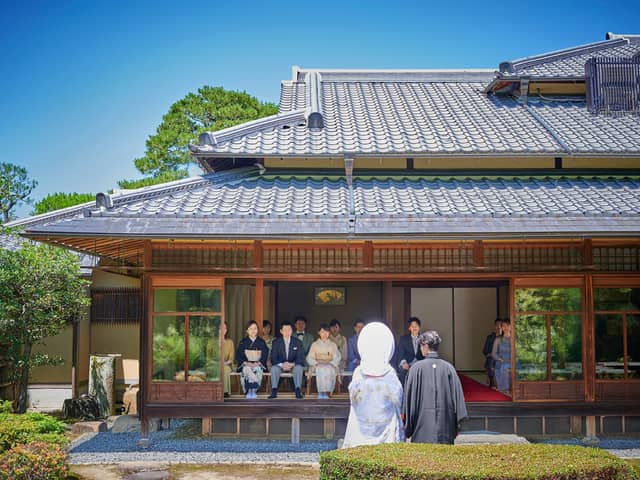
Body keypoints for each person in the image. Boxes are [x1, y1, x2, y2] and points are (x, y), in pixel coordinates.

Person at [342, 322, 404, 448]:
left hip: (362, 422)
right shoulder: (389, 372)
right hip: (385, 422)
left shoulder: (360, 371)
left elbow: (353, 396)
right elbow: (398, 396)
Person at [403, 330, 468, 444]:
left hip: (421, 428)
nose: (421, 348)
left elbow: (409, 401)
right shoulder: (449, 368)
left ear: (426, 346)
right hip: (445, 429)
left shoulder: (415, 369)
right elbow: (458, 401)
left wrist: (408, 426)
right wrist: (455, 425)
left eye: (421, 345)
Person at [269, 321, 305, 399]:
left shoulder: (297, 342)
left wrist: (291, 364)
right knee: (274, 368)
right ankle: (274, 390)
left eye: (289, 330)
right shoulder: (276, 342)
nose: (287, 332)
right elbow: (273, 358)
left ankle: (298, 390)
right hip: (280, 365)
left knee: (299, 368)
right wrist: (282, 364)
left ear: (292, 331)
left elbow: (301, 357)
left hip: (293, 365)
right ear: (281, 331)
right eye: (284, 330)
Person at [236, 320, 269, 399]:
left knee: (256, 368)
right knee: (247, 369)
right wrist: (246, 363)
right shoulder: (243, 342)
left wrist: (258, 363)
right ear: (247, 330)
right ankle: (251, 390)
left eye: (255, 328)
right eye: (251, 328)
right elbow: (238, 355)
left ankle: (252, 390)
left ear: (257, 330)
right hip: (246, 364)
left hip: (258, 364)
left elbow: (265, 354)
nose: (253, 331)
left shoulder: (261, 342)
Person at [307, 324, 341, 399]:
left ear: (329, 333)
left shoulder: (333, 345)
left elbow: (337, 357)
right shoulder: (314, 344)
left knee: (328, 369)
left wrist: (332, 363)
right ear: (319, 333)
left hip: (330, 364)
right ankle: (321, 392)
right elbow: (309, 357)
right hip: (318, 365)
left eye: (326, 332)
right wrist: (316, 363)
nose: (324, 334)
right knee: (321, 369)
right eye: (322, 332)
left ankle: (328, 392)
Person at [396, 317, 424, 384]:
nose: (414, 328)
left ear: (419, 327)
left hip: (420, 364)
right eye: (412, 326)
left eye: (416, 326)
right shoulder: (403, 339)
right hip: (408, 364)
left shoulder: (423, 338)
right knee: (402, 371)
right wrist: (403, 362)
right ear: (409, 328)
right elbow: (400, 353)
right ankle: (405, 392)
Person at [492, 319, 512, 393]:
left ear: (511, 326)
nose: (506, 327)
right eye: (503, 326)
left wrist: (512, 361)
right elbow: (493, 353)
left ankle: (510, 388)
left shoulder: (514, 339)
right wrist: (501, 359)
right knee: (504, 367)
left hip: (512, 361)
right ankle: (504, 388)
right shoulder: (498, 339)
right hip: (501, 361)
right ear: (501, 328)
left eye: (508, 325)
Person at [483, 319, 502, 388]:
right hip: (492, 357)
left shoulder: (505, 337)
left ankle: (495, 381)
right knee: (491, 360)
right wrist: (490, 354)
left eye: (500, 325)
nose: (499, 327)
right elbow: (485, 350)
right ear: (495, 326)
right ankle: (492, 380)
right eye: (497, 325)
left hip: (502, 358)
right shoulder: (490, 337)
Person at [220, 321, 235, 398]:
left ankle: (224, 392)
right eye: (221, 328)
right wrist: (218, 363)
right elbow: (209, 359)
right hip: (214, 365)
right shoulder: (211, 341)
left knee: (225, 368)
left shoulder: (230, 342)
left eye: (225, 328)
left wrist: (224, 363)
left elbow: (231, 359)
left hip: (226, 364)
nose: (223, 330)